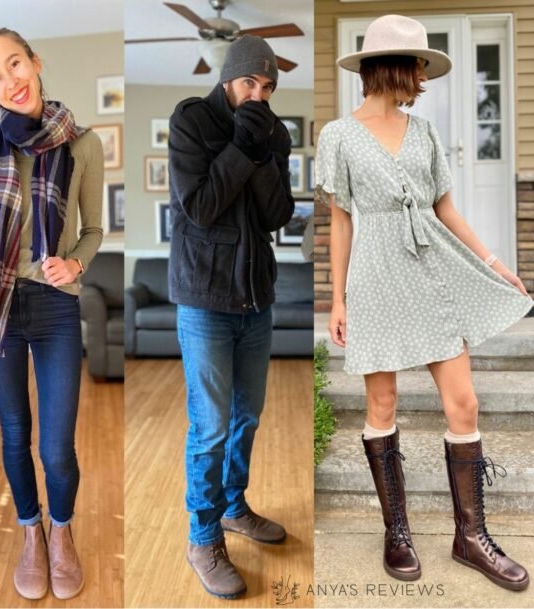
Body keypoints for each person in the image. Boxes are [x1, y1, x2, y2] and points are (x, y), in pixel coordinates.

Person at [318, 14, 532, 591]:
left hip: (432, 273)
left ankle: (471, 536)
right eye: (417, 64)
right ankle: (398, 532)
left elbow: (446, 209)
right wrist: (337, 299)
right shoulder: (338, 135)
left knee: (463, 403)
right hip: (375, 278)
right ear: (394, 68)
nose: (423, 76)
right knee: (382, 404)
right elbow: (339, 221)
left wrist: (492, 261)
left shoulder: (426, 133)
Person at [0, 27, 103, 601]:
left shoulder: (82, 145)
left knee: (56, 446)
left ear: (35, 62)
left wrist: (76, 265)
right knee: (14, 434)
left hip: (55, 305)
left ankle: (61, 534)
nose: (10, 80)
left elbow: (94, 230)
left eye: (15, 64)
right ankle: (30, 533)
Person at [166, 35, 295, 599]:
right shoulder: (191, 122)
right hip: (203, 297)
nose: (258, 95)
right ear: (229, 79)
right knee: (211, 425)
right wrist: (242, 144)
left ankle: (233, 507)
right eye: (250, 83)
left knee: (247, 417)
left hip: (256, 296)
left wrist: (261, 149)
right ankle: (202, 536)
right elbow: (197, 207)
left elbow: (278, 213)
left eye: (267, 87)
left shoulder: (274, 132)